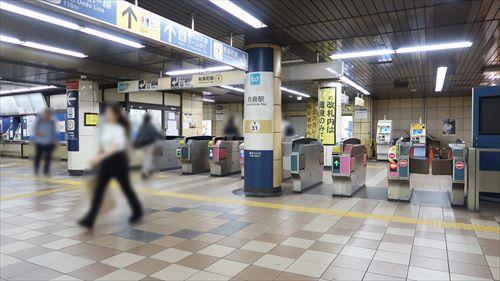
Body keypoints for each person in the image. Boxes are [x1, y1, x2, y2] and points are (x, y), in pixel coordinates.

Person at [79, 103, 143, 229]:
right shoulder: (107, 127)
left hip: (118, 162)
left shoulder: (119, 129)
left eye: (109, 113)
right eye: (106, 113)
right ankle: (90, 219)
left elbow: (114, 148)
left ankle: (137, 210)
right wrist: (97, 156)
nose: (107, 115)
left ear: (116, 115)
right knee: (99, 191)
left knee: (126, 189)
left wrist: (98, 158)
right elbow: (104, 146)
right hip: (106, 163)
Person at [134, 113, 163, 179]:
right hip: (148, 145)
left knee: (145, 159)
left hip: (141, 145)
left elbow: (138, 136)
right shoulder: (150, 126)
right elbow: (157, 134)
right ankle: (145, 172)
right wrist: (161, 137)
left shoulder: (141, 126)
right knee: (149, 159)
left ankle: (146, 171)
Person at [33, 108, 58, 176]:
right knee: (38, 157)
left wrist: (55, 141)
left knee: (48, 157)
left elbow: (53, 132)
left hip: (49, 143)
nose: (48, 116)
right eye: (47, 114)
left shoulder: (52, 122)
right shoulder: (39, 121)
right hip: (39, 143)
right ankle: (36, 169)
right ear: (44, 114)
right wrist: (38, 133)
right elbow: (34, 129)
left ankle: (46, 170)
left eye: (49, 115)